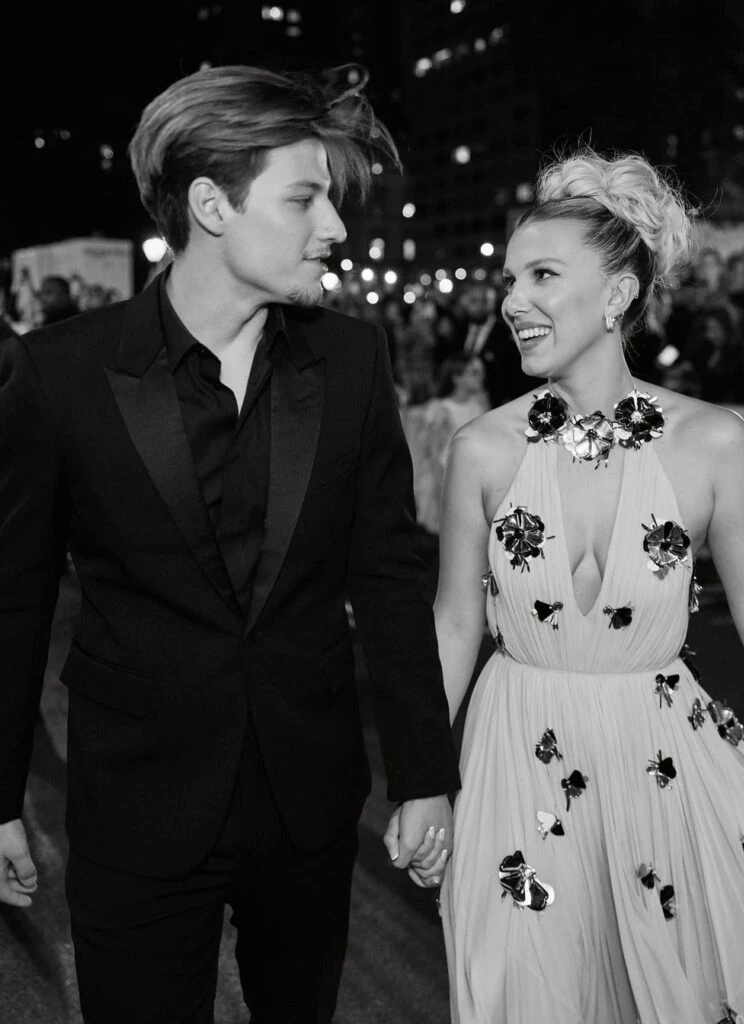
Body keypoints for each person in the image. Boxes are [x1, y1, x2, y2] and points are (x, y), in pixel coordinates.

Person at [0, 64, 459, 1024]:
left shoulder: (350, 361)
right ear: (212, 205)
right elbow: (16, 593)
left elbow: (387, 575)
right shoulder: (59, 372)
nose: (332, 228)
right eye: (303, 198)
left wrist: (423, 776)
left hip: (308, 799)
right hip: (138, 801)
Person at [430, 150, 744, 1022]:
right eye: (509, 279)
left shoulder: (711, 442)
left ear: (616, 295)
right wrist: (422, 780)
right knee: (530, 987)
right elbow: (455, 622)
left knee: (695, 978)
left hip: (661, 756)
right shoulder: (481, 450)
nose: (511, 301)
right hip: (518, 756)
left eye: (541, 276)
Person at [414, 353, 489, 535]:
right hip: (448, 478)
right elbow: (433, 454)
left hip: (475, 478)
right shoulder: (441, 409)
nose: (480, 377)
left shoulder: (480, 404)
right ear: (457, 378)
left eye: (480, 372)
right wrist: (441, 491)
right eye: (473, 372)